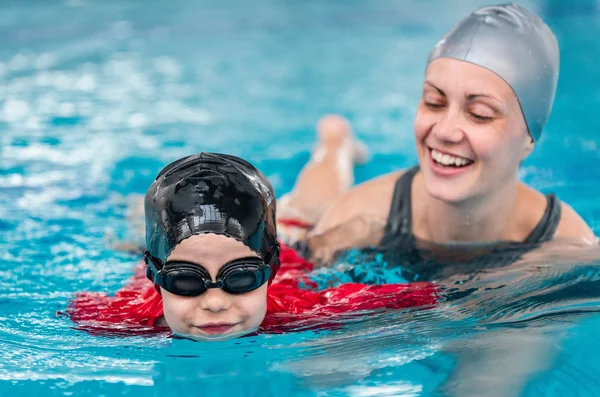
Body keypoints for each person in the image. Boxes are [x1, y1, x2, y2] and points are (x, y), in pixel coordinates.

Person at [68, 119, 437, 341]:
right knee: (140, 223)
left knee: (314, 202)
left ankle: (334, 142)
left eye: (241, 277)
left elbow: (422, 296)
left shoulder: (299, 309)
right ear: (155, 277)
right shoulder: (122, 317)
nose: (214, 302)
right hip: (159, 247)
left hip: (294, 239)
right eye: (185, 281)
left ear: (269, 270)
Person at [301, 4, 597, 271]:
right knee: (306, 210)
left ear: (528, 139)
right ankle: (334, 143)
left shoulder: (569, 247)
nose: (444, 131)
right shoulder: (357, 219)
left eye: (480, 114)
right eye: (434, 102)